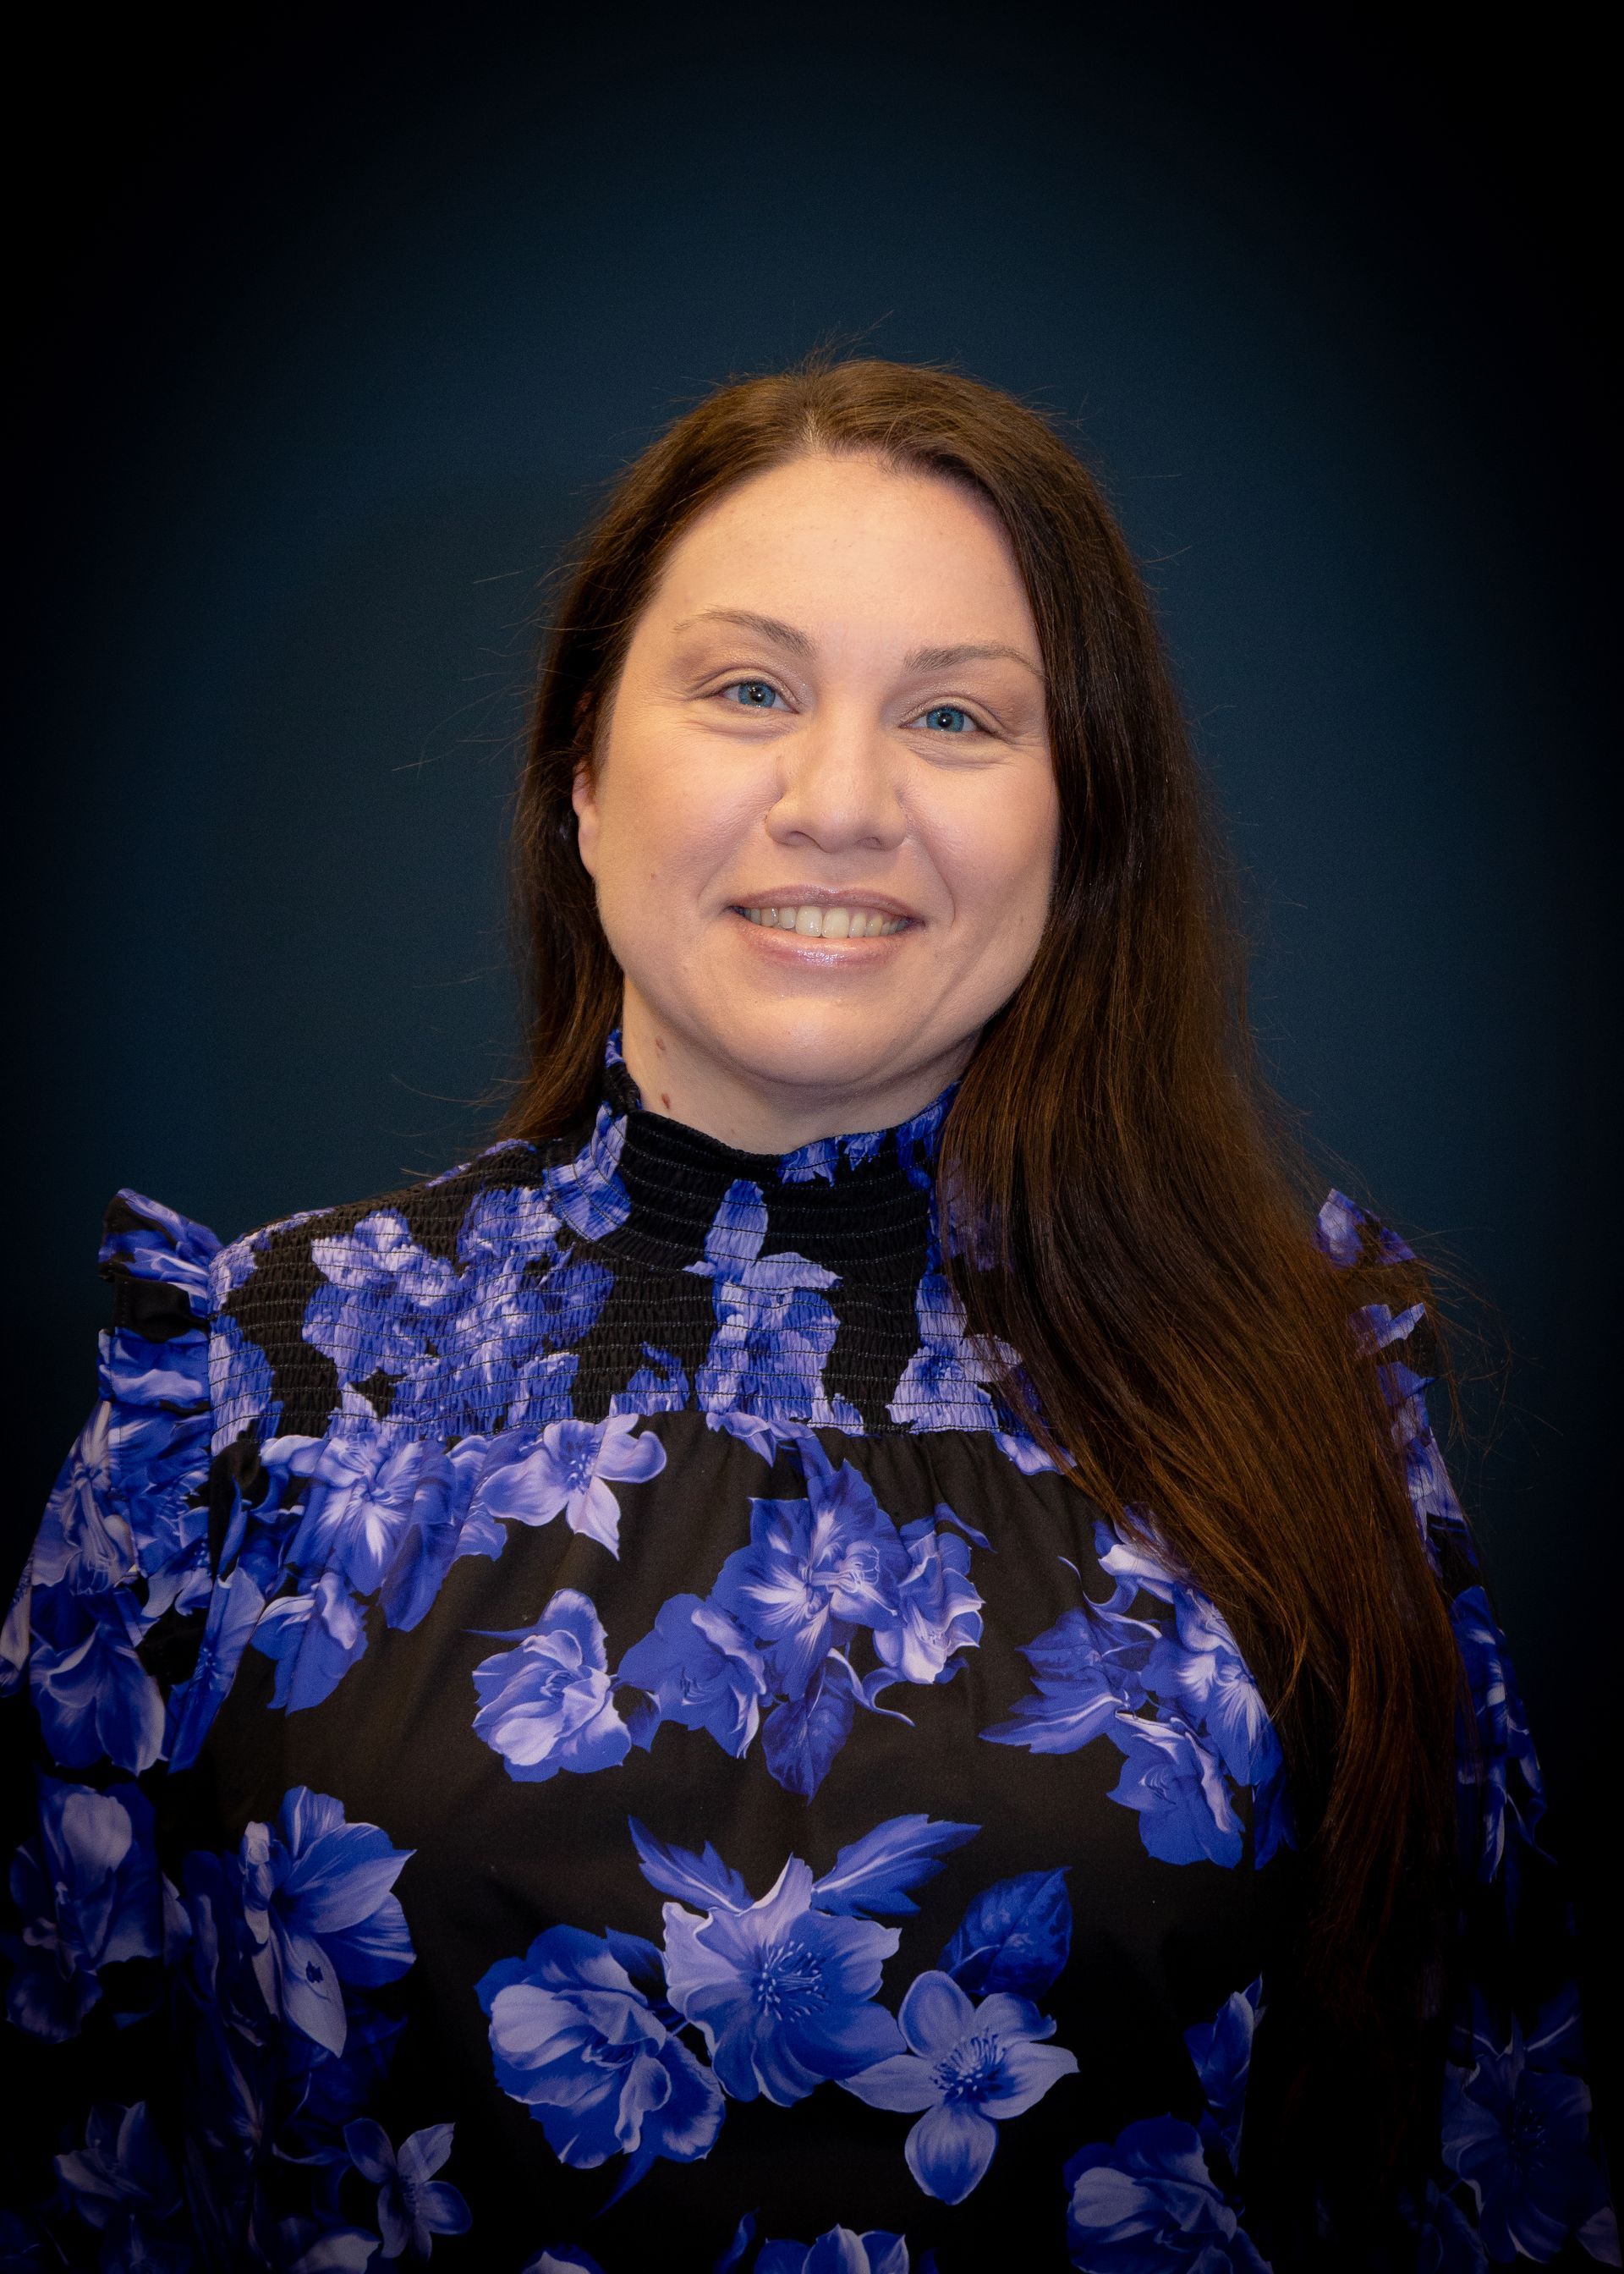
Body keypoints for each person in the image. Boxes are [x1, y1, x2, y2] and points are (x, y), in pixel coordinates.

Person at [1, 358, 1613, 2272]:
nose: (840, 801)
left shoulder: (1313, 1396)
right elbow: (60, 2165)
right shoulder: (241, 1393)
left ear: (1078, 829)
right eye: (750, 688)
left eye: (954, 715)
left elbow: (1480, 2170)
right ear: (583, 779)